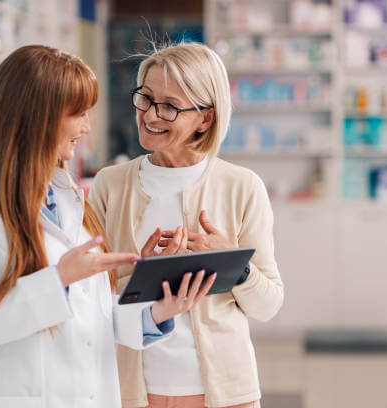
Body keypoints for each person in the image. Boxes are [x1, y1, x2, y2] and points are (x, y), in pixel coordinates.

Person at [0, 45, 215, 408]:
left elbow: (90, 315)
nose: (87, 127)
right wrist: (58, 279)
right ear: (36, 117)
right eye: (77, 114)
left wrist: (159, 311)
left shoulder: (66, 199)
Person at [87, 42, 284, 408]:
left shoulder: (242, 187)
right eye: (145, 98)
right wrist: (139, 273)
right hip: (130, 393)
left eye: (170, 106)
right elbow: (90, 300)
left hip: (225, 396)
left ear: (206, 118)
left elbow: (268, 306)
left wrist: (236, 265)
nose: (150, 115)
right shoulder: (110, 185)